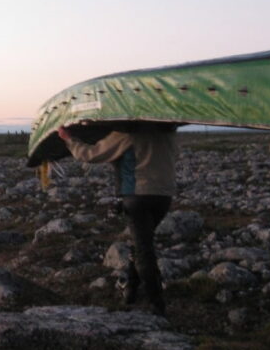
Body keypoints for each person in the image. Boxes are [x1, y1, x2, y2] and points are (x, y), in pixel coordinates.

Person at [56, 123, 179, 315]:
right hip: (164, 196)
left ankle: (156, 304)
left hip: (136, 195)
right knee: (141, 243)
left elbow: (91, 154)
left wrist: (69, 140)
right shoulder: (168, 131)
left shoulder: (126, 133)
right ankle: (130, 289)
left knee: (144, 249)